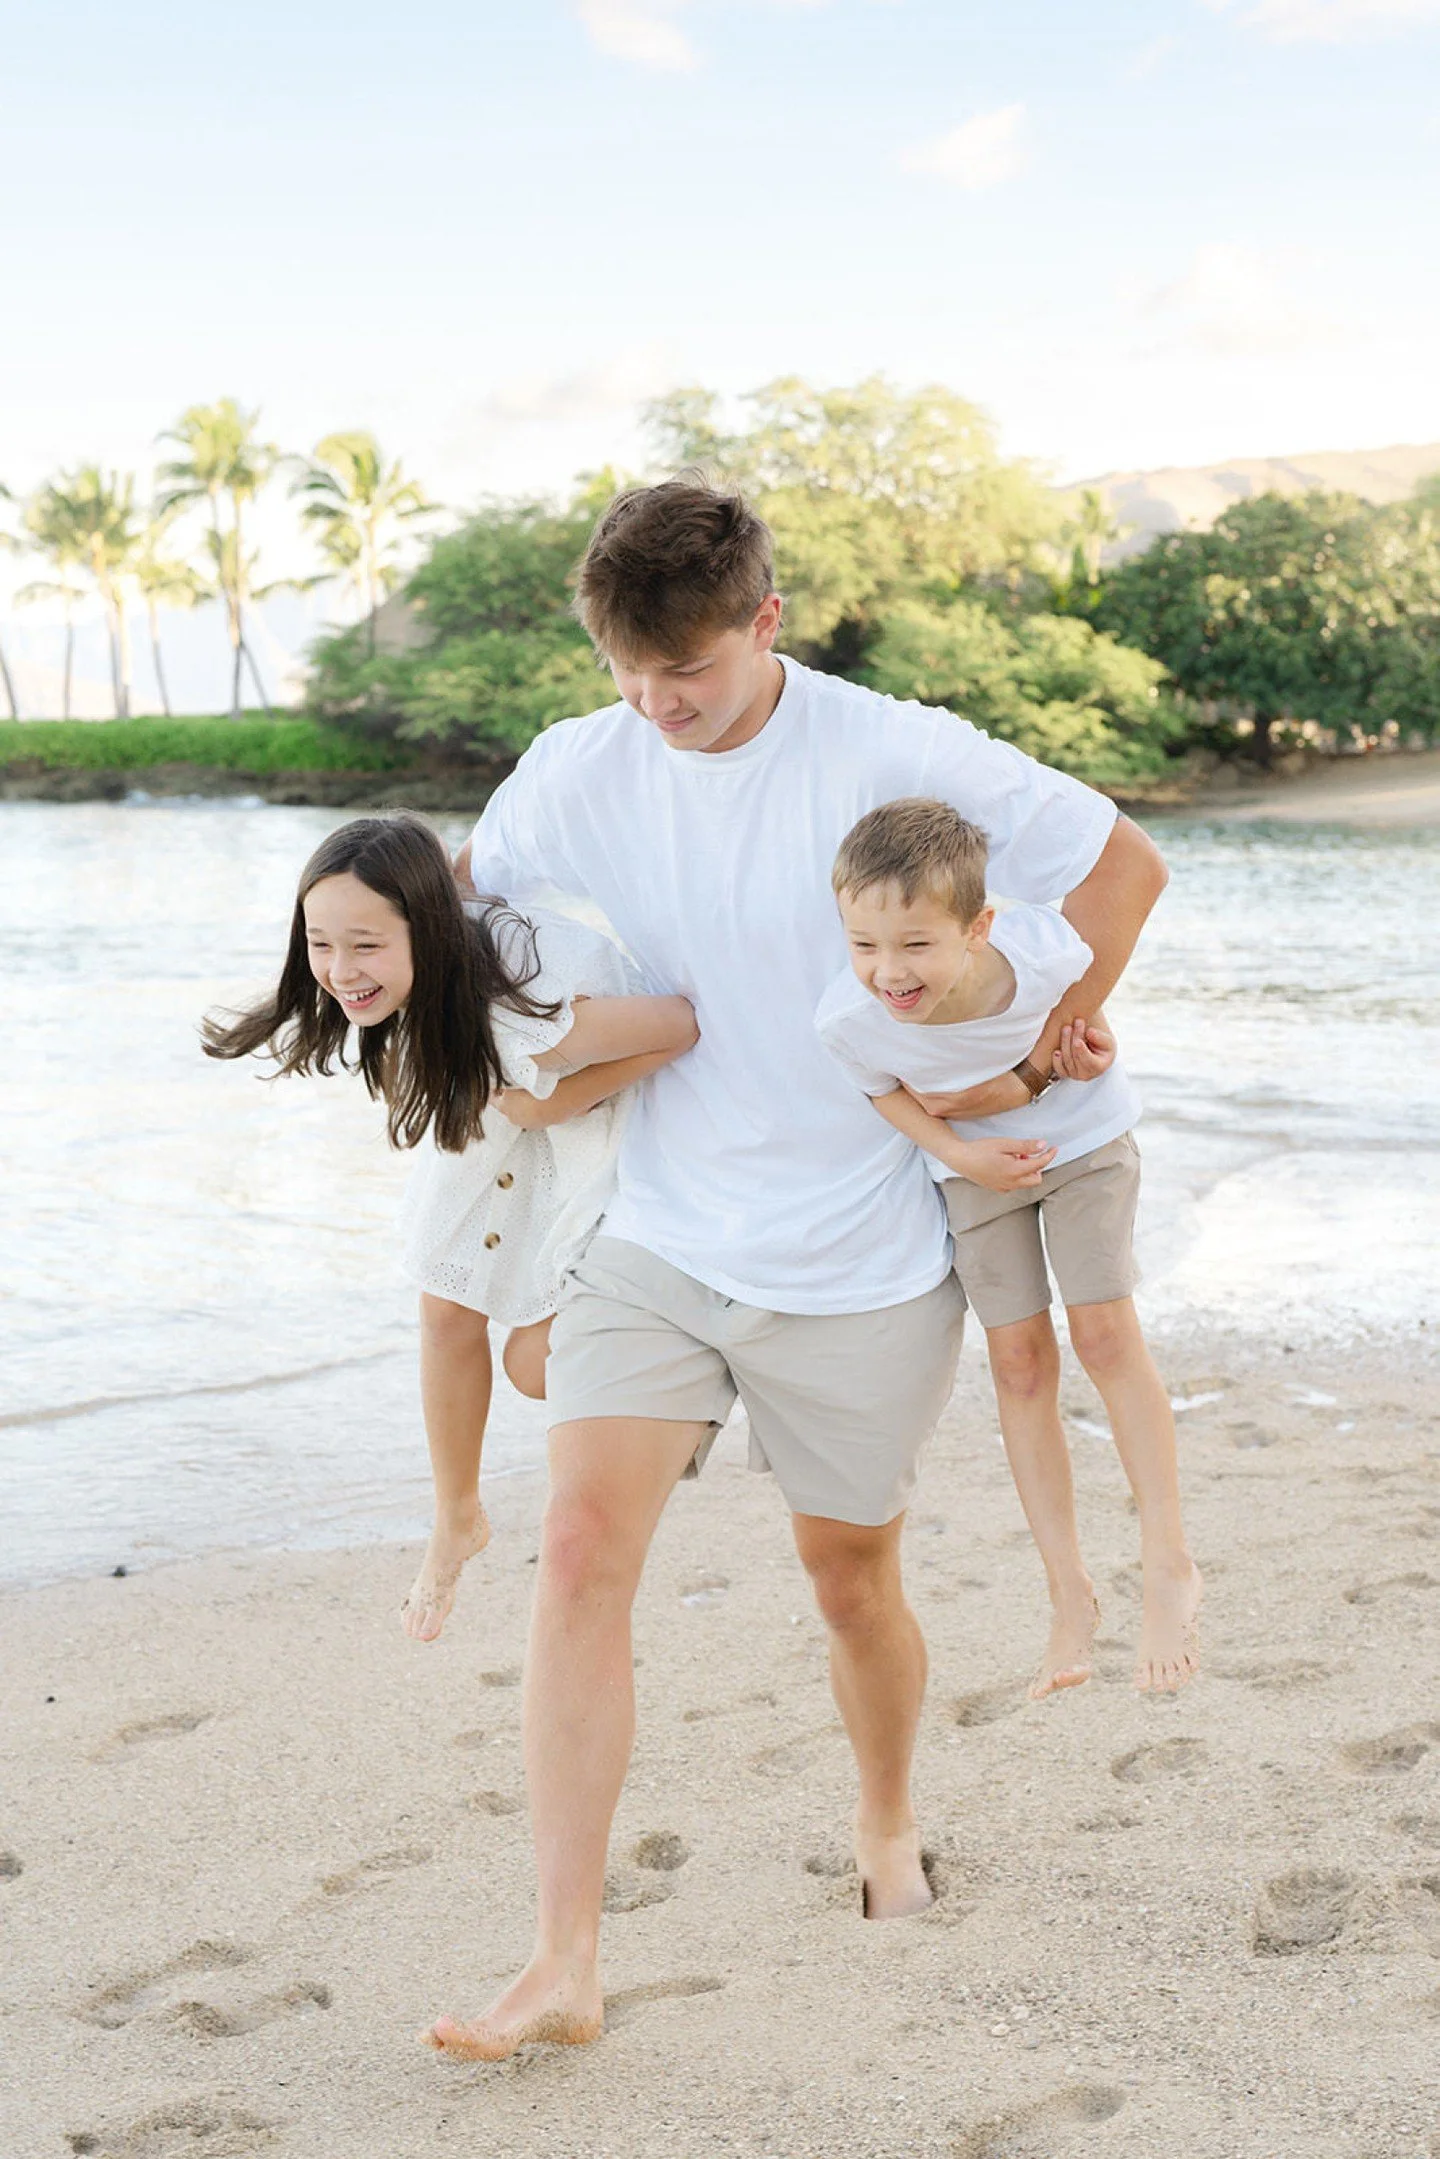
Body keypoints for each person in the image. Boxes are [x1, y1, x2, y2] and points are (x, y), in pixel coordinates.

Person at [426, 475, 1168, 2064]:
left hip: (866, 1250)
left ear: (765, 621)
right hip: (664, 1234)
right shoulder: (582, 762)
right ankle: (563, 1955)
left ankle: (888, 1817)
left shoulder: (891, 747)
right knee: (574, 1546)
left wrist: (1025, 1065)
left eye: (685, 673)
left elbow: (1121, 868)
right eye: (628, 674)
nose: (656, 705)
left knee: (849, 1577)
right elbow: (457, 909)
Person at [201, 813, 699, 1638]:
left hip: (590, 1117)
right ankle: (456, 1516)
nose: (338, 969)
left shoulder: (516, 1004)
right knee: (444, 1301)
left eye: (364, 945)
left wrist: (555, 1100)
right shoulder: (429, 968)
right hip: (508, 1099)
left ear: (425, 928)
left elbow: (680, 1023)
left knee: (535, 1366)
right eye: (320, 943)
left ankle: (678, 1383)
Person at [817, 798, 1201, 1700]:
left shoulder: (1041, 946)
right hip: (972, 1175)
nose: (889, 971)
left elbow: (1093, 1000)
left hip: (1087, 1141)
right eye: (864, 944)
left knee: (1105, 1336)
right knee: (1020, 1364)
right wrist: (958, 1154)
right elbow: (884, 1092)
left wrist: (1085, 1048)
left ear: (978, 925)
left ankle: (1167, 1563)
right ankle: (1069, 1590)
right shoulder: (851, 1017)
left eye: (915, 944)